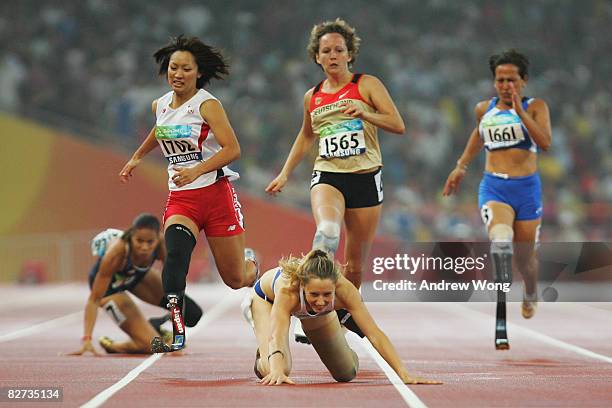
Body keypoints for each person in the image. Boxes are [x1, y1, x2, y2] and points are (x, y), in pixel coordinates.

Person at [265, 18, 404, 342]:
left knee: (355, 266)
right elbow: (306, 135)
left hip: (366, 178)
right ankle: (309, 309)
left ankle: (339, 317)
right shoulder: (311, 96)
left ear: (349, 54)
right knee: (327, 232)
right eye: (326, 50)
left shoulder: (366, 85)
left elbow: (397, 124)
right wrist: (285, 172)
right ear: (317, 57)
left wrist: (364, 111)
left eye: (338, 50)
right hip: (328, 174)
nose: (332, 55)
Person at [118, 35, 258, 352]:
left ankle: (250, 264)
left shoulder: (208, 104)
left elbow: (233, 148)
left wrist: (198, 169)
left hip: (217, 196)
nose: (177, 73)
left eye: (185, 69)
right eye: (173, 67)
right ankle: (178, 332)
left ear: (197, 73)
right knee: (176, 257)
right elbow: (160, 129)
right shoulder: (161, 104)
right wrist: (137, 156)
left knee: (235, 279)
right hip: (182, 200)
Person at [442, 49, 552, 347]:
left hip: (527, 191)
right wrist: (460, 166)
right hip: (495, 188)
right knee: (501, 243)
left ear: (524, 81)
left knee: (526, 260)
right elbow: (478, 135)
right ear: (494, 82)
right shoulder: (484, 109)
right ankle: (500, 321)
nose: (506, 85)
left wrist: (520, 112)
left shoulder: (536, 107)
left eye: (512, 80)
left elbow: (545, 142)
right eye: (501, 80)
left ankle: (530, 291)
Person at [242, 249, 440, 385]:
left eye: (327, 295)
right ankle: (263, 355)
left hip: (313, 314)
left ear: (335, 287)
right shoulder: (288, 290)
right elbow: (277, 333)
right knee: (277, 372)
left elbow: (374, 334)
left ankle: (341, 340)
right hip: (266, 300)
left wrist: (403, 373)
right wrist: (276, 368)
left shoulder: (345, 290)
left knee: (346, 372)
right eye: (314, 294)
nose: (320, 301)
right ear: (303, 286)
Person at [69, 213, 203, 355]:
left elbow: (175, 289)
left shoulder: (163, 246)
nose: (144, 247)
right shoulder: (116, 254)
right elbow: (93, 300)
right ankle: (115, 346)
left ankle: (155, 326)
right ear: (131, 236)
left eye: (150, 242)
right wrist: (87, 340)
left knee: (192, 314)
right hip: (110, 289)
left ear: (158, 239)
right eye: (139, 241)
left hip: (137, 278)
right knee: (151, 346)